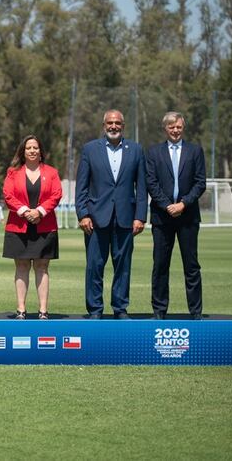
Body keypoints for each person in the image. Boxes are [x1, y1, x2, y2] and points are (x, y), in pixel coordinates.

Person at [75, 109, 147, 319]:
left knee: (123, 267)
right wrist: (83, 214)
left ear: (123, 126)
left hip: (126, 219)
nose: (113, 126)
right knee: (94, 267)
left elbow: (141, 187)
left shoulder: (135, 149)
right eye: (110, 123)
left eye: (117, 123)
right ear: (104, 125)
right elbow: (82, 187)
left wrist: (140, 216)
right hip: (95, 219)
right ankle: (95, 309)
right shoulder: (90, 149)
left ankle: (120, 308)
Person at [146, 112, 206, 320]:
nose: (175, 130)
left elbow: (200, 182)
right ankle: (159, 311)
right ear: (165, 128)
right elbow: (151, 183)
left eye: (179, 127)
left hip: (188, 217)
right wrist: (167, 205)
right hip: (162, 218)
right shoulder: (153, 152)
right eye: (171, 127)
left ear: (183, 127)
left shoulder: (195, 151)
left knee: (191, 266)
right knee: (160, 266)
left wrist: (183, 204)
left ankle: (196, 312)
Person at [2, 135, 62, 319]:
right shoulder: (13, 172)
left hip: (45, 226)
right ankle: (21, 309)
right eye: (28, 148)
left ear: (41, 151)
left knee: (42, 266)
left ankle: (43, 310)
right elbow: (8, 194)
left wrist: (40, 212)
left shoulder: (51, 172)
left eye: (35, 147)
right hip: (18, 226)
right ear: (23, 151)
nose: (32, 151)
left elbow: (56, 194)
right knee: (21, 266)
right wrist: (24, 211)